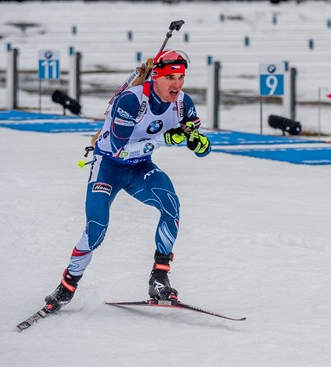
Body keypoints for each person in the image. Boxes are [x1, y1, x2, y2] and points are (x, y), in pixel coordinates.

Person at [44, 49, 211, 312]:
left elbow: (201, 145)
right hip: (109, 167)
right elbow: (118, 150)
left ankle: (159, 278)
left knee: (171, 205)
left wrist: (198, 143)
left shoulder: (183, 103)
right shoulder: (131, 101)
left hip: (140, 168)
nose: (176, 84)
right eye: (169, 77)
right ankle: (67, 286)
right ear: (155, 77)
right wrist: (163, 139)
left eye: (180, 77)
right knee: (97, 227)